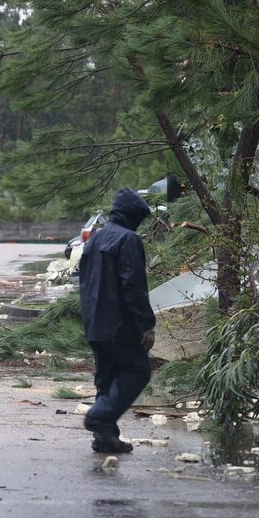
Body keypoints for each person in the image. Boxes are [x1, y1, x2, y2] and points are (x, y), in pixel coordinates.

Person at [79, 188, 156, 454]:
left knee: (107, 377)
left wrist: (89, 319)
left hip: (95, 323)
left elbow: (85, 284)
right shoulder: (128, 239)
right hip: (119, 323)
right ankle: (100, 417)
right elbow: (133, 286)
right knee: (138, 370)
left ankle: (105, 438)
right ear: (132, 215)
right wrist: (146, 323)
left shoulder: (95, 239)